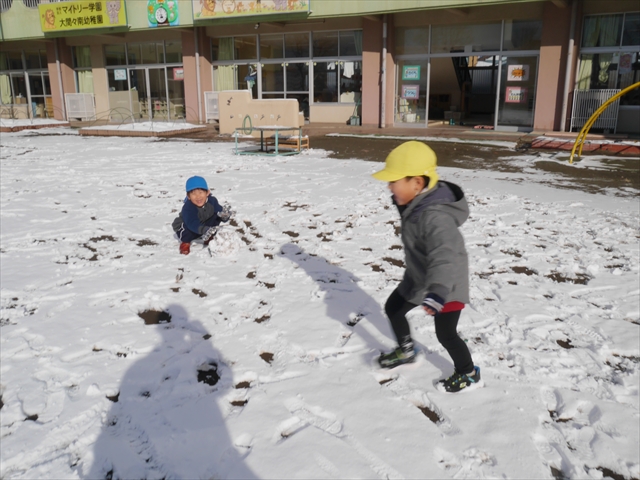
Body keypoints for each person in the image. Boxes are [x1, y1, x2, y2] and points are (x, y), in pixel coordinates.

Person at [371, 141, 481, 393]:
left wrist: (439, 289)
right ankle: (406, 351)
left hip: (446, 285)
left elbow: (445, 254)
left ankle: (469, 373)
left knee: (446, 334)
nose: (389, 186)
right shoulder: (416, 203)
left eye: (394, 181)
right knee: (394, 308)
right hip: (420, 277)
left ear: (417, 183)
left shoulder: (435, 216)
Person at [172, 176, 231, 255]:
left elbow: (219, 211)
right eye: (193, 194)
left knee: (216, 216)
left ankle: (208, 235)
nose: (198, 197)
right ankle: (185, 242)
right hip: (188, 225)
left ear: (207, 193)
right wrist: (204, 229)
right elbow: (192, 223)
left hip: (202, 223)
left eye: (200, 192)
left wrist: (224, 216)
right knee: (187, 229)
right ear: (188, 196)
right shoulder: (188, 207)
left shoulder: (212, 201)